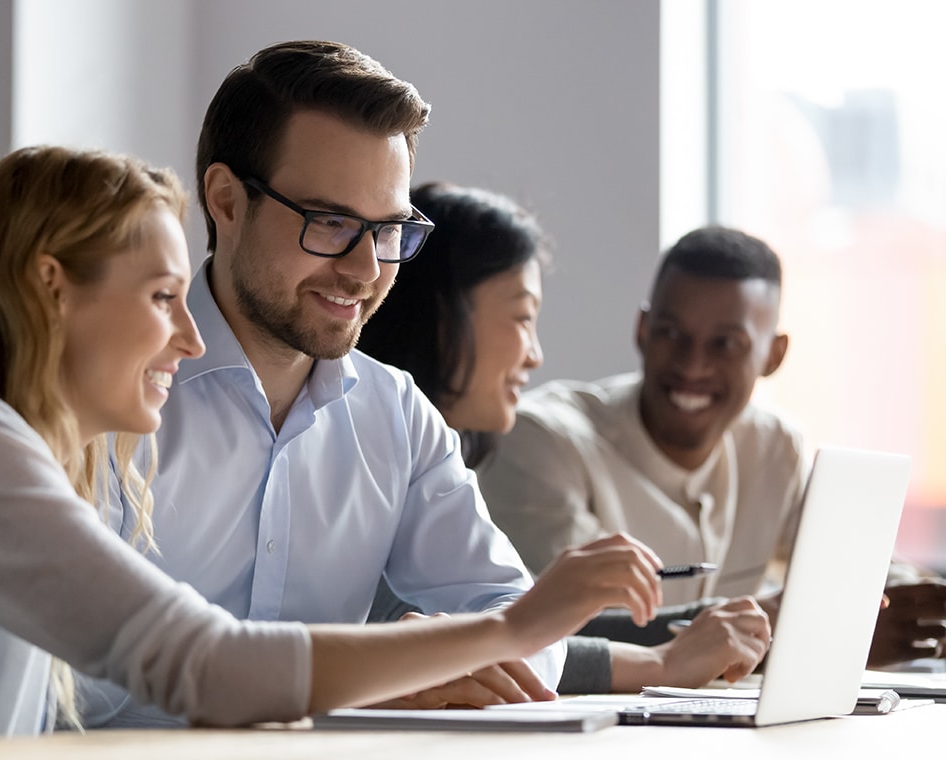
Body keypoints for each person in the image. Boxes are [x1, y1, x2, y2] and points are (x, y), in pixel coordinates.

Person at [0, 146, 667, 744]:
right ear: (51, 288)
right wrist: (516, 626)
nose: (190, 341)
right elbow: (208, 666)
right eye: (160, 298)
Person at [77, 40, 645, 727]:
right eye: (332, 223)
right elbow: (66, 679)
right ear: (226, 201)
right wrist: (360, 678)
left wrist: (424, 661)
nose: (366, 270)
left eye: (388, 231)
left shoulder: (397, 414)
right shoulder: (100, 397)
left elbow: (521, 624)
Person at [357, 182, 771, 694]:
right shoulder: (364, 447)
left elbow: (504, 629)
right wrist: (663, 662)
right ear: (443, 318)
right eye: (523, 318)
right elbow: (464, 637)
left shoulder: (437, 454)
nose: (535, 355)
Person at [476, 224, 946, 668]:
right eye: (671, 334)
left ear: (773, 355)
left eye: (725, 344)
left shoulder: (774, 446)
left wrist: (901, 603)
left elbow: (859, 564)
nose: (692, 365)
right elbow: (566, 630)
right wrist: (804, 627)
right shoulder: (542, 441)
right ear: (642, 330)